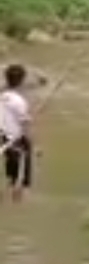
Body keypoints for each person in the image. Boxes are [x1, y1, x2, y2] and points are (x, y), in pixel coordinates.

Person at [0, 63, 33, 203]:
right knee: (24, 160)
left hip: (2, 136)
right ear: (22, 80)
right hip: (14, 138)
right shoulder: (19, 101)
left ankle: (9, 187)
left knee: (10, 163)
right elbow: (24, 123)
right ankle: (19, 194)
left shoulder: (2, 96)